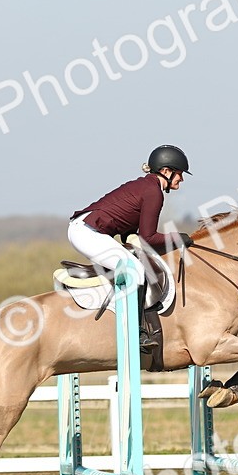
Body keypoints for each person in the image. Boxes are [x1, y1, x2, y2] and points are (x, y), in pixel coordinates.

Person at [68, 144, 195, 351]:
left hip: (85, 229)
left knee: (134, 263)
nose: (182, 179)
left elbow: (131, 235)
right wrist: (177, 238)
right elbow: (148, 237)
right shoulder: (154, 192)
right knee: (134, 270)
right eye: (179, 174)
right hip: (87, 232)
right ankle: (135, 333)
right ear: (166, 172)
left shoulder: (146, 187)